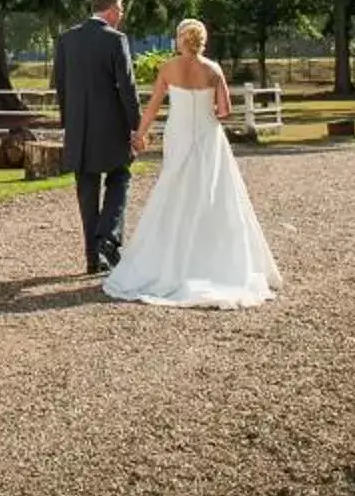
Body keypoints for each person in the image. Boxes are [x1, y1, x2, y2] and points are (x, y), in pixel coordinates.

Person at [102, 17, 285, 308]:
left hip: (179, 133)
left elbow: (152, 107)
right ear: (202, 41)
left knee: (175, 188)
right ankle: (212, 258)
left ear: (179, 40)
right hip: (208, 135)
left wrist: (140, 134)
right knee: (212, 192)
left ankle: (168, 258)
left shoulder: (168, 68)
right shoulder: (213, 69)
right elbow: (224, 111)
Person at [49, 0, 141, 274]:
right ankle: (107, 241)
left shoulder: (66, 39)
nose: (122, 15)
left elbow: (61, 87)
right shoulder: (116, 40)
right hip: (111, 127)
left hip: (79, 127)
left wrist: (69, 123)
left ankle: (93, 257)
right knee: (120, 178)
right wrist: (136, 126)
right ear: (111, 10)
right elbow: (126, 87)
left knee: (87, 192)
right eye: (121, 9)